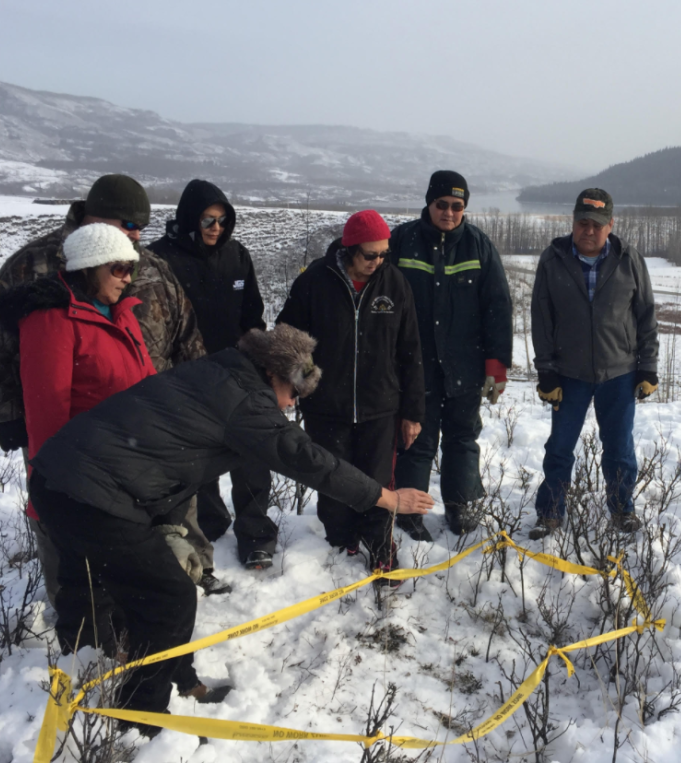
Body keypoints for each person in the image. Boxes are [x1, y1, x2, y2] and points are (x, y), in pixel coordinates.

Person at [28, 325, 435, 731]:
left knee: (92, 590)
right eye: (294, 394)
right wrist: (387, 498)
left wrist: (166, 526)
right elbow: (309, 460)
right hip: (91, 495)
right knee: (169, 598)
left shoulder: (219, 371)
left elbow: (167, 453)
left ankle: (117, 687)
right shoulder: (246, 402)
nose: (291, 406)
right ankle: (140, 723)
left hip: (57, 476)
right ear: (274, 374)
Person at [0, 174, 227, 596]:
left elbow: (187, 338)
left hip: (151, 424)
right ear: (93, 217)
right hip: (74, 430)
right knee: (71, 522)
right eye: (126, 226)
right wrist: (8, 413)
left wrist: (196, 404)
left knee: (170, 511)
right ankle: (75, 605)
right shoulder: (32, 263)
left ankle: (186, 576)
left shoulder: (153, 267)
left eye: (140, 229)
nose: (135, 238)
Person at [276, 210, 424, 577]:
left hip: (380, 407)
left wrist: (412, 411)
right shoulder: (314, 282)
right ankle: (340, 543)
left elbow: (410, 352)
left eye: (383, 254)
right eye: (369, 255)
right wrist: (299, 384)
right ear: (349, 249)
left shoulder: (395, 284)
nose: (377, 262)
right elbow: (290, 342)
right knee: (333, 480)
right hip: (327, 406)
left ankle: (380, 547)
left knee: (377, 484)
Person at [149, 179, 276, 569]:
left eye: (223, 220)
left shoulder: (237, 256)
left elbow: (252, 317)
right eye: (208, 220)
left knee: (251, 456)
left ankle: (255, 534)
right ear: (190, 218)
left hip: (236, 374)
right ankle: (210, 524)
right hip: (185, 380)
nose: (216, 228)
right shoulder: (160, 259)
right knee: (198, 463)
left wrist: (260, 363)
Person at [529, 189, 659, 539]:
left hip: (618, 372)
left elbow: (646, 315)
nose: (588, 231)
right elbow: (541, 320)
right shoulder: (553, 259)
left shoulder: (629, 260)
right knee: (559, 447)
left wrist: (648, 367)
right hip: (568, 375)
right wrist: (546, 371)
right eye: (582, 223)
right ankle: (550, 512)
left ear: (610, 225)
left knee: (619, 448)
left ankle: (622, 510)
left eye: (597, 225)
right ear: (573, 222)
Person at [389, 170, 513, 538]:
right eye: (441, 204)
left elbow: (498, 307)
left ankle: (461, 505)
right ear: (429, 203)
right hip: (415, 365)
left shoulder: (479, 246)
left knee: (462, 437)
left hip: (466, 364)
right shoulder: (402, 241)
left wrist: (497, 365)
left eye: (457, 206)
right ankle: (409, 511)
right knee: (415, 439)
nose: (449, 212)